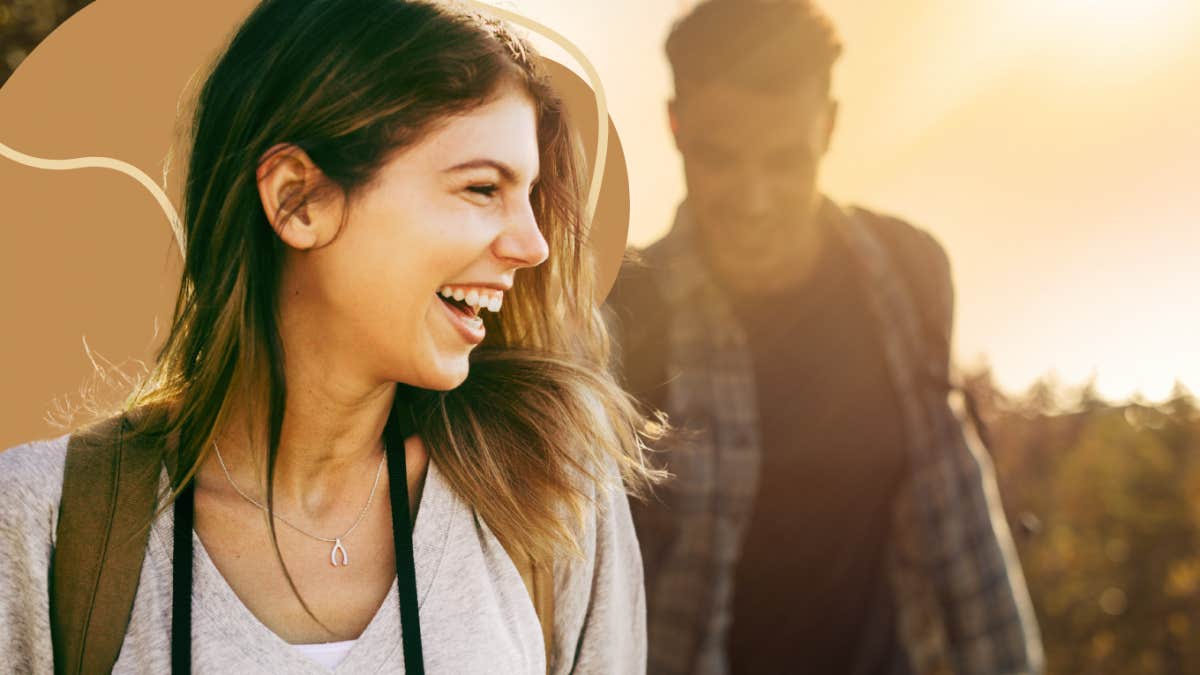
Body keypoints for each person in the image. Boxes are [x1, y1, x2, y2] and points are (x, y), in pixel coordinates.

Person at [0, 0, 662, 672]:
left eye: (531, 197)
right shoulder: (42, 520)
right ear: (299, 199)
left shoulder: (551, 498)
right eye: (482, 187)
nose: (533, 246)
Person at [603, 1, 1044, 673]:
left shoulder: (909, 272)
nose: (753, 199)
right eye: (721, 160)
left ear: (830, 127)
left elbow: (962, 518)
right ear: (677, 126)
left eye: (785, 162)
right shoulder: (625, 309)